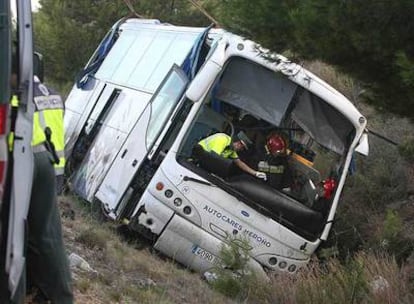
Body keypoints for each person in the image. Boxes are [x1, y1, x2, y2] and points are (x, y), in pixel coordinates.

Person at [7, 73, 73, 303]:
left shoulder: (19, 98)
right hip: (52, 166)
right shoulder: (54, 95)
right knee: (44, 233)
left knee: (31, 234)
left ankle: (46, 292)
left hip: (30, 165)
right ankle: (40, 290)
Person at [194, 131, 267, 180]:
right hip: (198, 159)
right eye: (242, 148)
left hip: (206, 164)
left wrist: (255, 173)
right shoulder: (222, 139)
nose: (241, 150)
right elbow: (214, 159)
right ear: (238, 143)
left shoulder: (231, 149)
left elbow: (240, 163)